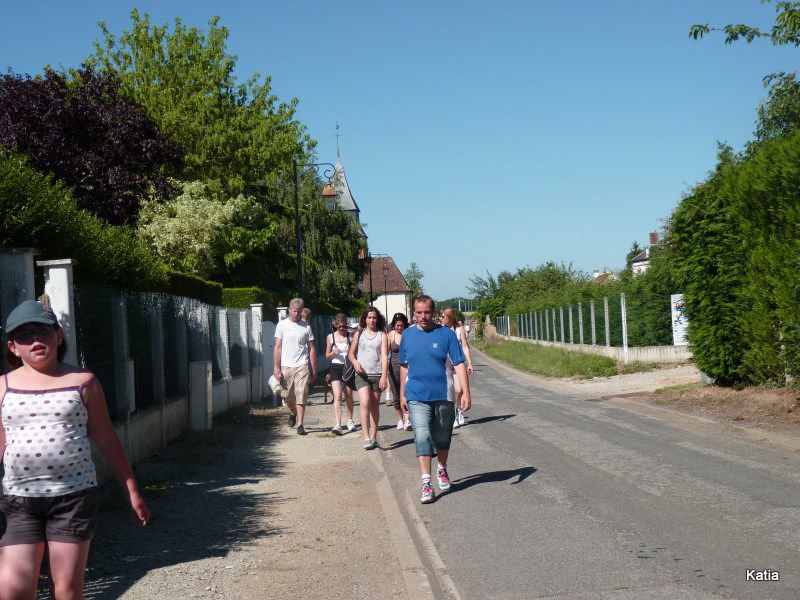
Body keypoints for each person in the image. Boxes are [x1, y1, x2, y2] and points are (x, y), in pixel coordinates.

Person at [0, 300, 150, 598]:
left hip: (74, 499)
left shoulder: (84, 382)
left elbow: (107, 438)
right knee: (13, 589)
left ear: (58, 335)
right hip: (19, 502)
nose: (35, 340)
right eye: (25, 336)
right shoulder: (3, 386)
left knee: (67, 589)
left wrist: (131, 489)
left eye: (42, 331)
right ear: (13, 347)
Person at [400, 296, 471, 504]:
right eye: (419, 312)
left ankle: (441, 468)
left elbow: (458, 363)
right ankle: (426, 483)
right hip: (416, 394)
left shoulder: (446, 334)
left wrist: (466, 391)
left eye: (427, 312)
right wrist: (403, 392)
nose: (423, 317)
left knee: (442, 437)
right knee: (421, 435)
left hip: (443, 393)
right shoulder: (407, 335)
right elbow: (403, 365)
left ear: (433, 312)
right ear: (414, 312)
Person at [274, 298, 317, 435]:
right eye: (293, 311)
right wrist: (276, 367)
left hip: (302, 365)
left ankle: (300, 424)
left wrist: (313, 368)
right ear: (289, 309)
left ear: (301, 311)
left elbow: (311, 349)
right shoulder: (282, 325)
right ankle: (292, 412)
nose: (296, 313)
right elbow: (278, 347)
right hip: (286, 365)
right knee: (286, 396)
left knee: (301, 394)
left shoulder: (306, 327)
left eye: (298, 311)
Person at [348, 307, 388, 450]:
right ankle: (366, 438)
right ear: (365, 319)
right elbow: (351, 354)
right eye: (369, 317)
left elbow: (384, 357)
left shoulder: (382, 335)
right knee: (364, 402)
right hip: (362, 374)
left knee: (374, 406)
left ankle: (373, 437)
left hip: (377, 374)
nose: (372, 320)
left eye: (374, 318)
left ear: (378, 319)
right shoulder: (359, 334)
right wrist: (355, 362)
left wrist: (384, 376)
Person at [441, 308, 475, 428]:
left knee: (459, 390)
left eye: (443, 317)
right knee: (452, 391)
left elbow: (465, 346)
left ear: (450, 317)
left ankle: (458, 409)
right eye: (441, 316)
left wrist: (470, 362)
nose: (441, 319)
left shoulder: (459, 330)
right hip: (446, 365)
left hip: (458, 363)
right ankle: (453, 415)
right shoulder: (440, 330)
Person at [325, 314, 357, 435]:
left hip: (348, 367)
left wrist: (350, 351)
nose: (342, 329)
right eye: (339, 327)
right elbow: (327, 356)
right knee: (337, 396)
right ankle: (338, 424)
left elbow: (355, 353)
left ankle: (350, 420)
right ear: (335, 325)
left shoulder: (351, 336)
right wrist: (333, 352)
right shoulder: (330, 337)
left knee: (348, 395)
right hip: (335, 367)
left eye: (344, 326)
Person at [388, 313, 411, 431]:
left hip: (408, 367)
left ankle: (407, 420)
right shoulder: (390, 335)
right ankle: (400, 419)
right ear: (394, 325)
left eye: (401, 325)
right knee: (396, 395)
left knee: (406, 393)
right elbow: (385, 352)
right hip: (393, 368)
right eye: (397, 325)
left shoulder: (409, 334)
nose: (399, 328)